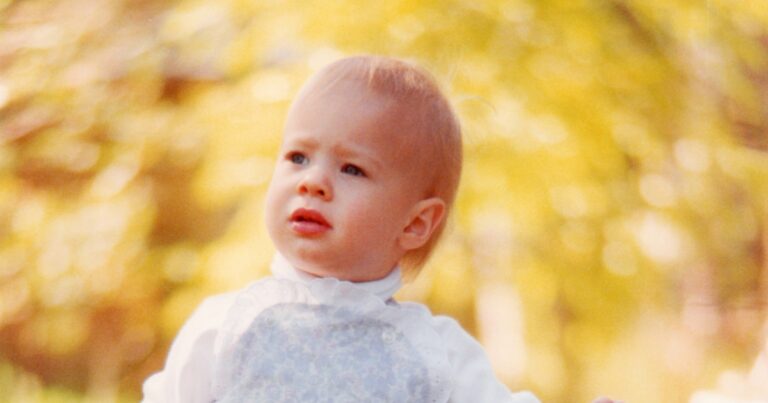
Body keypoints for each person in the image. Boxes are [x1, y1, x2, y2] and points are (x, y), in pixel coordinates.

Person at [141, 55, 540, 402]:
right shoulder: (228, 325)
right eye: (298, 157)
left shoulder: (434, 354)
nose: (312, 181)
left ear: (415, 223)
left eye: (352, 168)